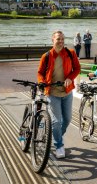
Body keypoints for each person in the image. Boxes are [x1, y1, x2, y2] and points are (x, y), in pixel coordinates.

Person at [37, 31, 81, 159]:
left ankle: (55, 135)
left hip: (67, 92)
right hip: (52, 92)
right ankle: (59, 145)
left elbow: (77, 69)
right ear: (53, 40)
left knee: (67, 120)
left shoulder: (70, 53)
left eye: (62, 39)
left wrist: (70, 78)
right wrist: (41, 82)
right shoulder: (46, 56)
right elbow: (40, 73)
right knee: (56, 121)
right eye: (58, 39)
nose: (61, 41)